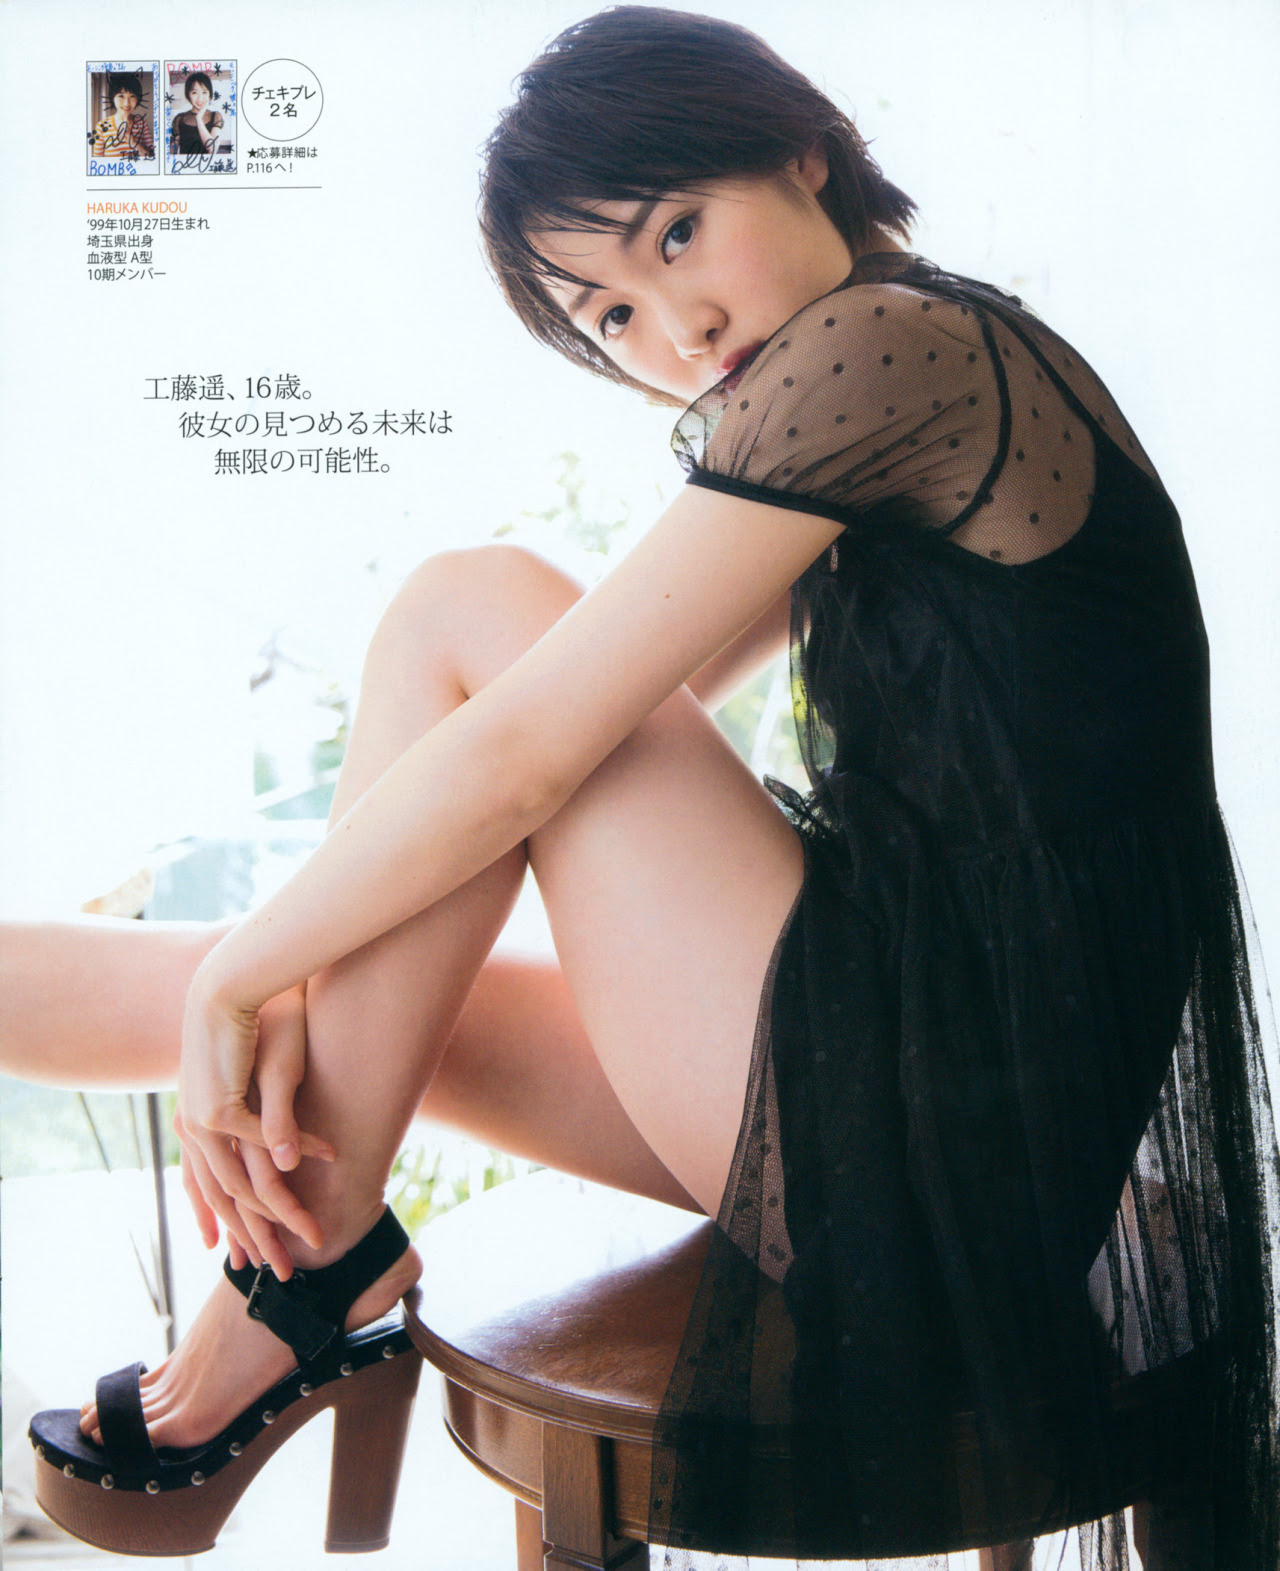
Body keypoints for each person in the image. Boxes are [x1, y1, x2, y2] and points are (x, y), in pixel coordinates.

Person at [15, 6, 1279, 1567]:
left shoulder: (886, 349)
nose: (676, 325)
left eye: (678, 232)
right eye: (609, 313)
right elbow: (598, 708)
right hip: (942, 1102)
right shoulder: (905, 358)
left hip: (938, 1138)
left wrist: (243, 969)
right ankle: (302, 1271)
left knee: (463, 608)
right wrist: (264, 970)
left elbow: (528, 745)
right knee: (373, 1013)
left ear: (802, 149)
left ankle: (292, 1286)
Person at [91, 74, 155, 160]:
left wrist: (134, 144)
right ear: (113, 97)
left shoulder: (141, 123)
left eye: (132, 96)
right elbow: (97, 161)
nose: (126, 103)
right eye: (121, 96)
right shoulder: (102, 126)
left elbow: (153, 158)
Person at [170, 71, 224, 157]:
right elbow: (172, 150)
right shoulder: (180, 118)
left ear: (210, 95)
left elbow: (212, 149)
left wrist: (199, 118)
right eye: (194, 92)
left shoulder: (215, 116)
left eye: (204, 92)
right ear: (188, 95)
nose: (200, 98)